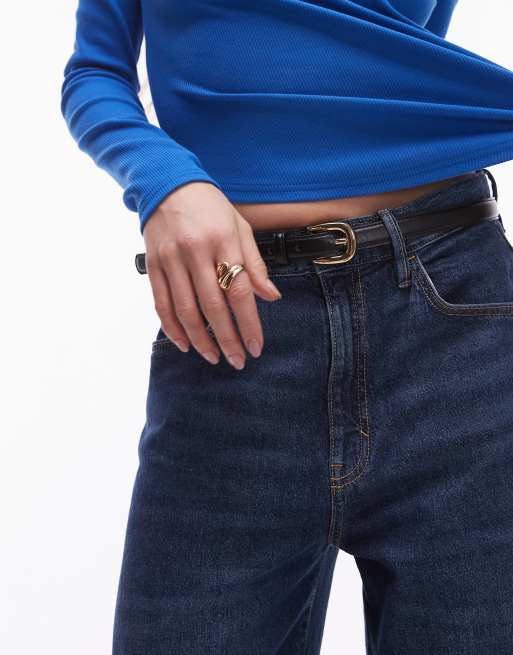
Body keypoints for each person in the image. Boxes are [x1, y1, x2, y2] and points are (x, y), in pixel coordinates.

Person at [61, 1, 513, 653]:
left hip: (449, 316)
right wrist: (166, 183)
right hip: (233, 331)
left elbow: (388, 52)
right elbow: (94, 72)